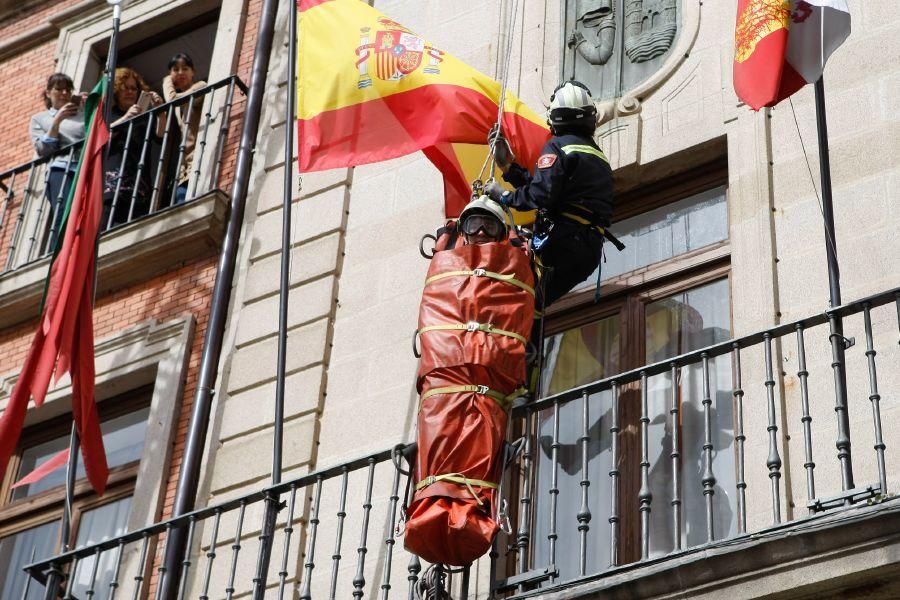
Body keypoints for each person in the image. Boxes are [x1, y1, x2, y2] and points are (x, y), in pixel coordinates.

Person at [484, 80, 616, 308]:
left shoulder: (557, 146)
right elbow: (553, 192)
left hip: (563, 242)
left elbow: (541, 195)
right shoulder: (599, 158)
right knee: (534, 303)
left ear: (555, 118)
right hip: (588, 250)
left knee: (517, 298)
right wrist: (510, 170)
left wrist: (504, 196)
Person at [29, 73, 86, 248]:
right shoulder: (40, 118)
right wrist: (57, 120)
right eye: (58, 89)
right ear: (48, 93)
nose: (63, 93)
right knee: (64, 212)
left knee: (86, 213)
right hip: (62, 169)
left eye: (68, 89)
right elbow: (42, 150)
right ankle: (60, 254)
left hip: (85, 168)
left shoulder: (82, 114)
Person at [104, 67, 163, 228]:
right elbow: (100, 139)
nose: (130, 92)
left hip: (138, 184)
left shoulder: (144, 117)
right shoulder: (108, 115)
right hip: (111, 184)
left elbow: (160, 137)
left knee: (136, 227)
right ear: (117, 90)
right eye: (125, 88)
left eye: (133, 88)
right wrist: (126, 118)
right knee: (104, 224)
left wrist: (160, 112)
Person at [161, 53, 207, 205]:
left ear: (193, 71)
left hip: (199, 160)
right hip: (184, 169)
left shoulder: (201, 86)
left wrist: (166, 80)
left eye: (185, 68)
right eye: (175, 69)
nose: (180, 73)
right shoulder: (178, 103)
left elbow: (172, 100)